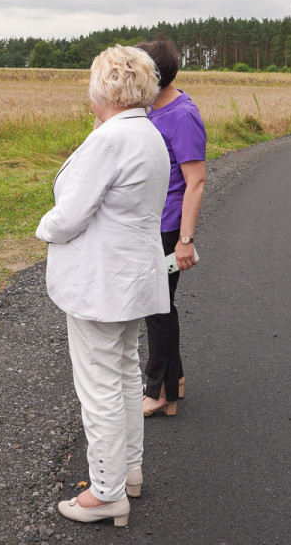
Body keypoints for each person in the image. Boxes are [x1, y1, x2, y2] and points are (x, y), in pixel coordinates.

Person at [36, 45, 170, 527]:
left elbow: (71, 214)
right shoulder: (144, 132)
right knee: (123, 375)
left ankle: (107, 491)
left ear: (104, 87)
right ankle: (128, 471)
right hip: (131, 277)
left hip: (101, 282)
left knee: (99, 387)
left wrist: (43, 227)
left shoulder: (111, 139)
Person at [136, 38, 207, 417]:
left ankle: (158, 390)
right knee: (159, 305)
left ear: (153, 76)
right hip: (150, 224)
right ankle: (172, 380)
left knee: (157, 305)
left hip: (168, 228)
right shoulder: (149, 109)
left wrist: (185, 241)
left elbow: (195, 181)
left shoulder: (182, 115)